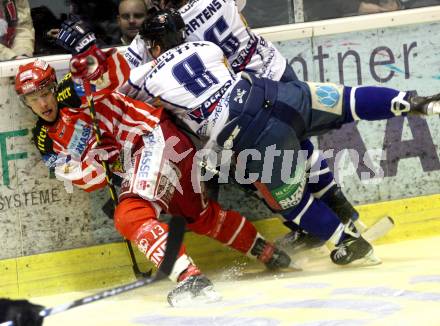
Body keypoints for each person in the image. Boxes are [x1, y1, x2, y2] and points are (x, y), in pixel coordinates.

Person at [119, 9, 440, 266]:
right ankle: (412, 102)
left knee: (289, 201)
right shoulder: (208, 47)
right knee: (347, 101)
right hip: (270, 92)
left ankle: (348, 242)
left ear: (154, 46)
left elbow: (116, 97)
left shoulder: (144, 75)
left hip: (244, 135)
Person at [15, 42, 292, 305]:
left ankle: (190, 280)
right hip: (157, 154)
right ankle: (269, 253)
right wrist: (100, 163)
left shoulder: (71, 91)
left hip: (151, 139)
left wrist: (91, 57)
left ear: (53, 87)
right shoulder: (45, 141)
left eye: (44, 93)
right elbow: (88, 180)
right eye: (33, 99)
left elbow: (116, 72)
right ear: (26, 103)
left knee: (129, 215)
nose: (42, 104)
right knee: (200, 217)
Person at [128, 1, 363, 252]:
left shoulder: (158, 37)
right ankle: (340, 210)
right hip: (271, 72)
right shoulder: (207, 12)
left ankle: (318, 225)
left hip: (237, 102)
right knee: (297, 144)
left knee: (258, 175)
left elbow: (127, 67)